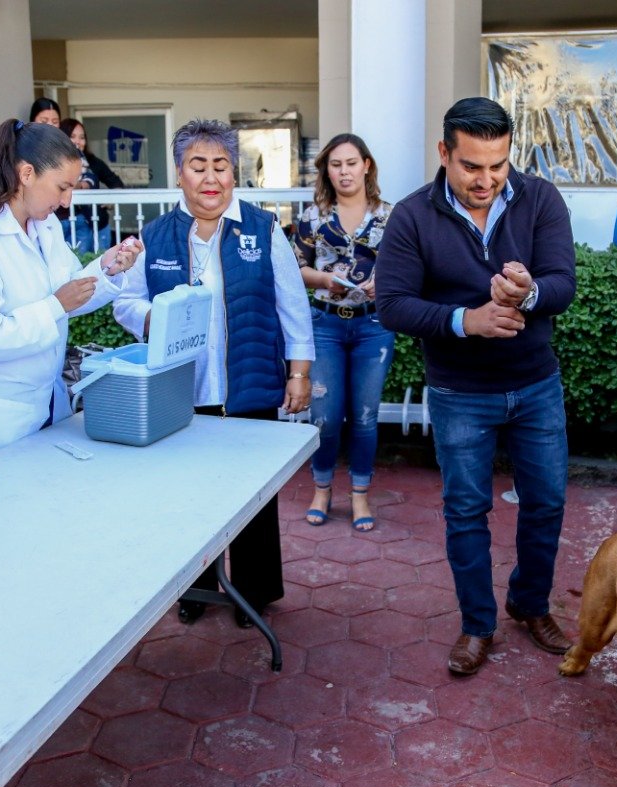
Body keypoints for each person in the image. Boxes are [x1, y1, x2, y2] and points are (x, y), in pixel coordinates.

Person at [374, 97, 577, 676]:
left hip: (536, 384)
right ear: (444, 153)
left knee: (547, 502)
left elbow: (563, 283)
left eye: (498, 165)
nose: (486, 180)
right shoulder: (412, 216)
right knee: (466, 510)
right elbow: (392, 304)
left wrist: (528, 292)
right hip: (459, 392)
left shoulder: (540, 199)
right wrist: (469, 320)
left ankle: (530, 604)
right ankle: (477, 625)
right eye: (471, 166)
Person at [113, 118, 314, 626]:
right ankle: (194, 589)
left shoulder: (262, 228)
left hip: (249, 386)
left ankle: (254, 592)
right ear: (179, 174)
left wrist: (299, 373)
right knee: (188, 497)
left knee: (253, 496)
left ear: (234, 172)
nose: (210, 178)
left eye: (220, 166)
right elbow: (126, 302)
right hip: (182, 392)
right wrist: (152, 317)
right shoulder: (155, 236)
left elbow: (292, 306)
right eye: (197, 166)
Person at [0, 119, 141, 474]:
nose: (67, 201)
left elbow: (69, 291)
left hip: (45, 407)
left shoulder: (45, 226)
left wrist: (107, 269)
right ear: (26, 173)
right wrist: (56, 304)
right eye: (62, 187)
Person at [292, 133, 393, 531]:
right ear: (327, 171)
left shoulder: (390, 216)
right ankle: (321, 489)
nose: (344, 171)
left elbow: (408, 267)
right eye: (336, 165)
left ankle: (360, 494)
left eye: (351, 163)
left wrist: (384, 282)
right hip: (325, 326)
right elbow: (296, 269)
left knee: (365, 417)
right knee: (326, 417)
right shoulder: (312, 217)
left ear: (366, 166)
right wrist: (323, 279)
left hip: (374, 327)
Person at [57, 117, 125, 253]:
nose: (78, 141)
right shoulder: (55, 163)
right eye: (72, 136)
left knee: (98, 260)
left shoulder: (93, 162)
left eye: (82, 137)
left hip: (97, 223)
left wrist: (110, 201)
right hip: (64, 222)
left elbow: (117, 183)